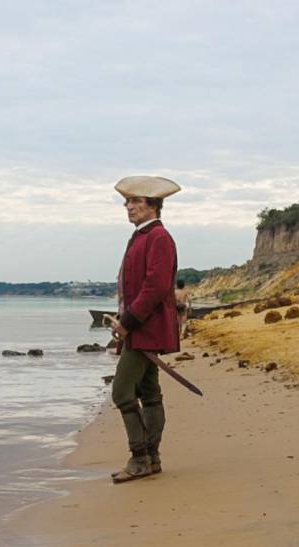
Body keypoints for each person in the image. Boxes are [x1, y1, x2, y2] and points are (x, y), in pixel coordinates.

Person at [107, 175, 180, 483]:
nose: (129, 207)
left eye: (136, 201)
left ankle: (140, 459)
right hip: (140, 327)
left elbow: (155, 287)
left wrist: (127, 323)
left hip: (145, 328)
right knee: (148, 391)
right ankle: (151, 459)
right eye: (128, 201)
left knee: (122, 392)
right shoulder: (141, 236)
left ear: (154, 206)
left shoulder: (159, 237)